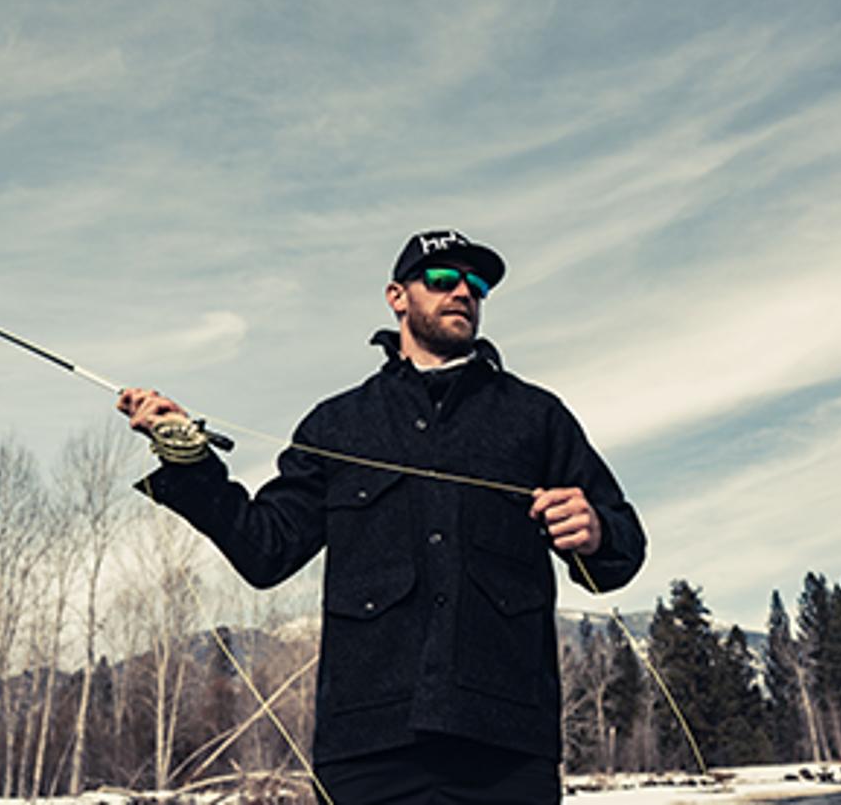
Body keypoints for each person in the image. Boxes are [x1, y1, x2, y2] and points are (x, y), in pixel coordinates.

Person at [118, 229, 646, 804]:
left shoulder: (536, 417)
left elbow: (621, 551)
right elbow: (265, 550)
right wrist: (188, 462)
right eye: (443, 280)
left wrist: (596, 531)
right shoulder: (337, 425)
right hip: (366, 749)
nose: (463, 293)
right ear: (397, 296)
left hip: (507, 746)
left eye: (477, 284)